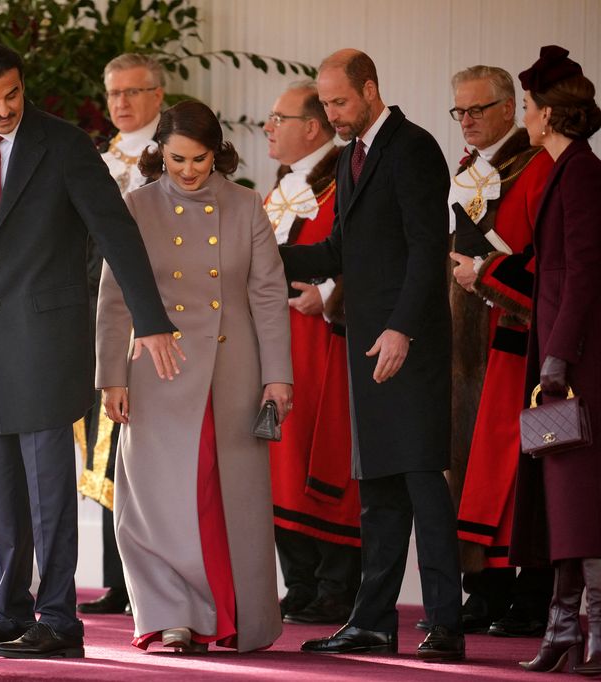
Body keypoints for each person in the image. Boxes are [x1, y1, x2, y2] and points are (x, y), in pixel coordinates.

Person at [0, 42, 179, 660]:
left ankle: (60, 621)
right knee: (2, 485)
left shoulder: (64, 144)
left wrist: (151, 322)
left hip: (49, 341)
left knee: (49, 490)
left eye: (13, 93)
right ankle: (8, 613)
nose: (5, 107)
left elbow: (114, 232)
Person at [280, 49, 464, 661]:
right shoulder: (354, 157)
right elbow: (339, 250)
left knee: (420, 483)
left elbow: (426, 247)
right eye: (326, 104)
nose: (331, 113)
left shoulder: (411, 147)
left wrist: (402, 330)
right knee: (379, 490)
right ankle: (374, 620)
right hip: (371, 344)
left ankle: (444, 624)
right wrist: (264, 253)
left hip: (406, 346)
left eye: (339, 102)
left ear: (369, 89)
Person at [96, 100, 292, 653]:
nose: (187, 170)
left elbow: (269, 296)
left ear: (218, 153)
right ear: (160, 152)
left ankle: (225, 617)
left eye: (199, 159)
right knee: (156, 501)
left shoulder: (247, 204)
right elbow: (115, 299)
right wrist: (111, 376)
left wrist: (278, 377)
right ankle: (170, 614)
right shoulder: (134, 207)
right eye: (177, 158)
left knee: (218, 494)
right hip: (156, 372)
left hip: (231, 372)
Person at [443, 65, 554, 637]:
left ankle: (532, 592)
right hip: (466, 340)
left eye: (477, 110)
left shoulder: (540, 169)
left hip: (516, 339)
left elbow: (551, 268)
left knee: (517, 468)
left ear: (510, 108)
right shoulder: (468, 171)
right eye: (459, 111)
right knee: (466, 465)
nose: (466, 121)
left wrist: (487, 275)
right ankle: (483, 590)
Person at [508, 45, 601, 675]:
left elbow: (588, 271)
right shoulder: (562, 170)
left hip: (578, 359)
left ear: (547, 114)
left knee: (581, 491)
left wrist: (558, 357)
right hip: (560, 353)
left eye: (525, 106)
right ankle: (566, 620)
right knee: (561, 492)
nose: (524, 116)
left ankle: (588, 622)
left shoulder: (584, 173)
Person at [262, 81, 361, 626]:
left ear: (313, 126)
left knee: (327, 456)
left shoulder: (347, 176)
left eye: (278, 118)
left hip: (328, 341)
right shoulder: (284, 186)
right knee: (281, 459)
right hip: (278, 343)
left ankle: (335, 586)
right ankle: (298, 582)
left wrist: (327, 296)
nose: (269, 129)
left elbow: (370, 249)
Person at [77, 52, 164, 618]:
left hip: (157, 316)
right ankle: (116, 576)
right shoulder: (95, 159)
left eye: (134, 92)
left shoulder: (175, 155)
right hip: (99, 311)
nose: (123, 104)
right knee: (106, 449)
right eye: (114, 94)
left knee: (151, 448)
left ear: (159, 94)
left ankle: (154, 577)